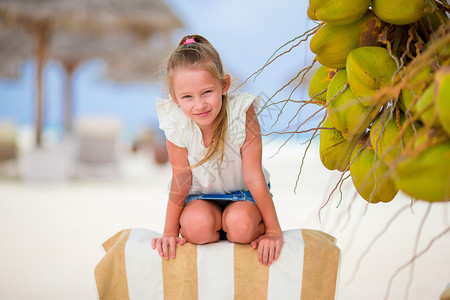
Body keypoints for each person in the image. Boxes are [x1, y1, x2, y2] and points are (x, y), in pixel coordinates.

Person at [151, 34, 283, 266]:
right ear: (174, 98)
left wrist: (273, 231)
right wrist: (169, 232)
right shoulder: (176, 120)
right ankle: (216, 224)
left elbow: (253, 175)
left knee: (242, 226)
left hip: (245, 196)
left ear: (224, 85)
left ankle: (247, 223)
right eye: (187, 97)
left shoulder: (241, 111)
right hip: (199, 198)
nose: (199, 104)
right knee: (196, 227)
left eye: (207, 92)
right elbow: (181, 178)